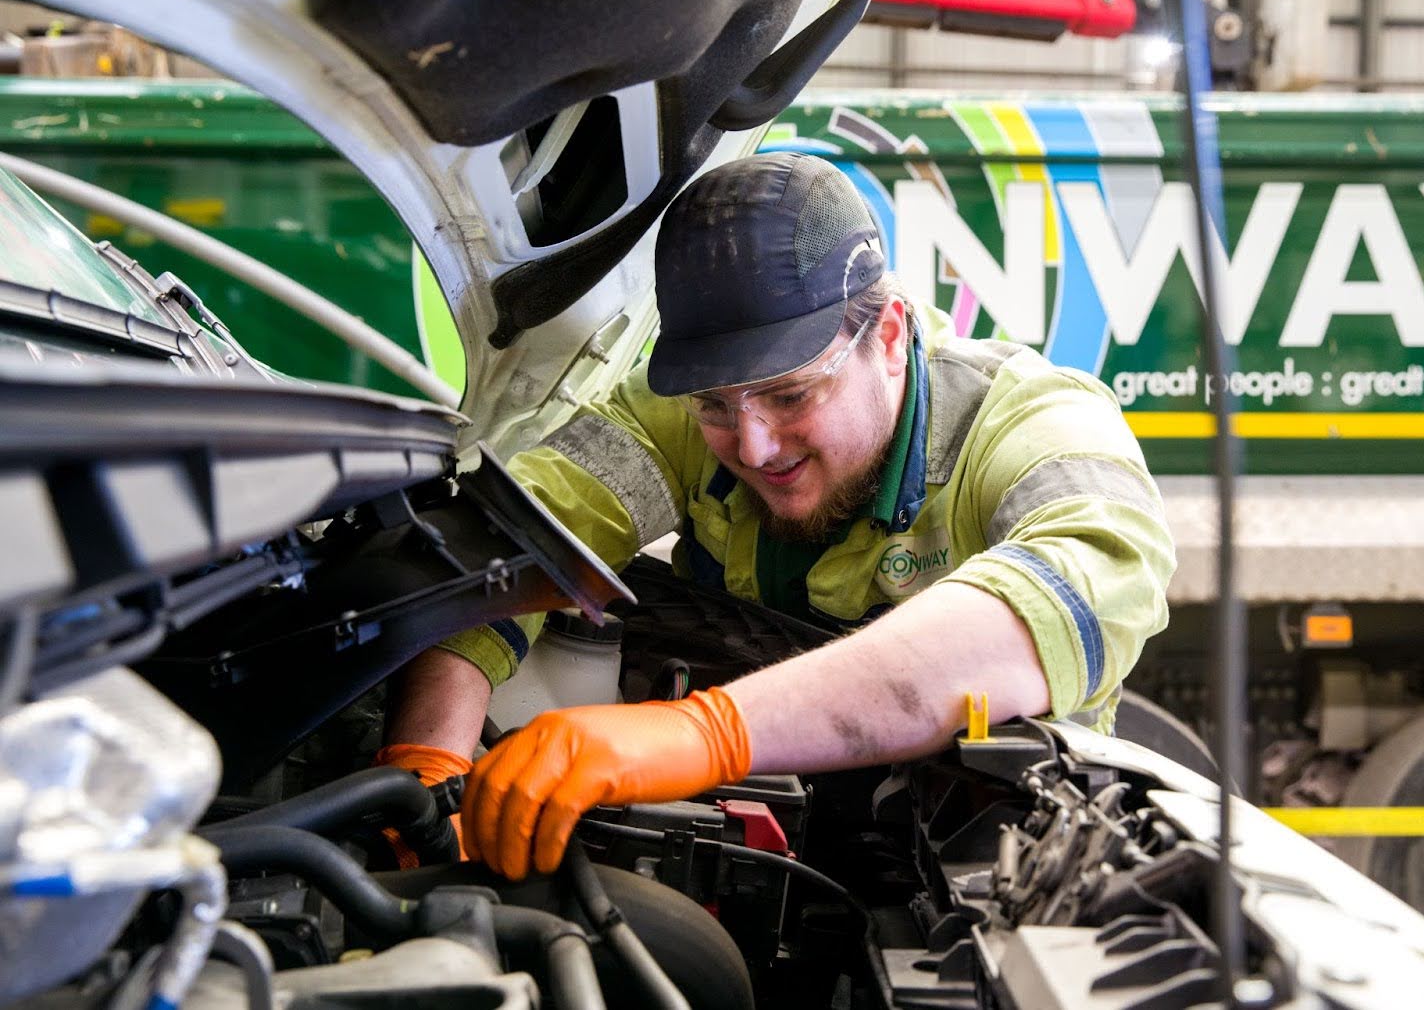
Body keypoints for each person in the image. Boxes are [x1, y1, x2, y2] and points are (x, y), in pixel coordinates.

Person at [376, 152, 1176, 881]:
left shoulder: (1037, 424)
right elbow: (515, 543)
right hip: (755, 855)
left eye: (792, 394)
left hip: (982, 880)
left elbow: (1061, 601)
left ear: (888, 336)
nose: (753, 445)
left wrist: (705, 734)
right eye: (716, 405)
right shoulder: (683, 422)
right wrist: (430, 756)